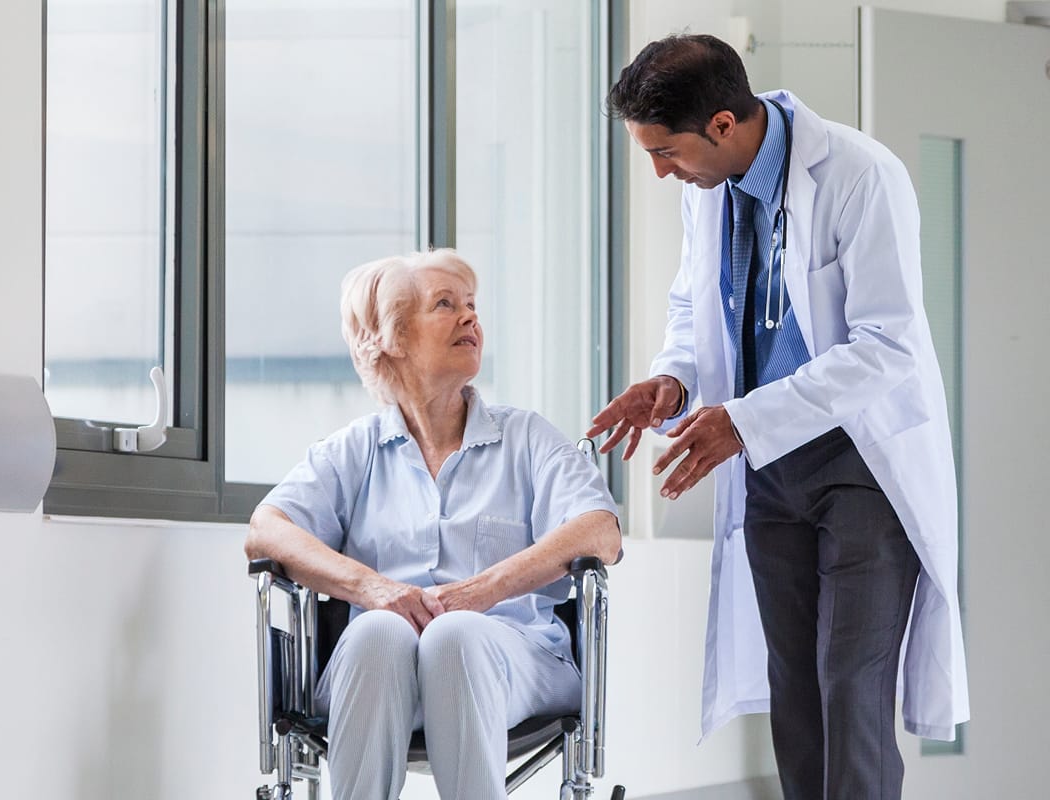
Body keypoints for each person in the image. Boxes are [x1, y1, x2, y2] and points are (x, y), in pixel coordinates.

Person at [588, 34, 968, 800]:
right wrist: (672, 376)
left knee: (850, 690)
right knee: (795, 692)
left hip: (861, 467)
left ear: (723, 125)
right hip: (768, 471)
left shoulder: (861, 176)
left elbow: (888, 345)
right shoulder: (710, 191)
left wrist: (743, 421)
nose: (661, 172)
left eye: (666, 152)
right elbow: (695, 303)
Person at [244, 249, 621, 800]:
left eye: (472, 305)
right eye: (446, 305)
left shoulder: (527, 438)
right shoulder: (355, 449)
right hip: (380, 669)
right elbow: (265, 530)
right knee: (375, 628)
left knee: (454, 631)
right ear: (390, 337)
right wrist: (372, 588)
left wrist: (483, 590)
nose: (471, 317)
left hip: (513, 660)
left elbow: (599, 530)